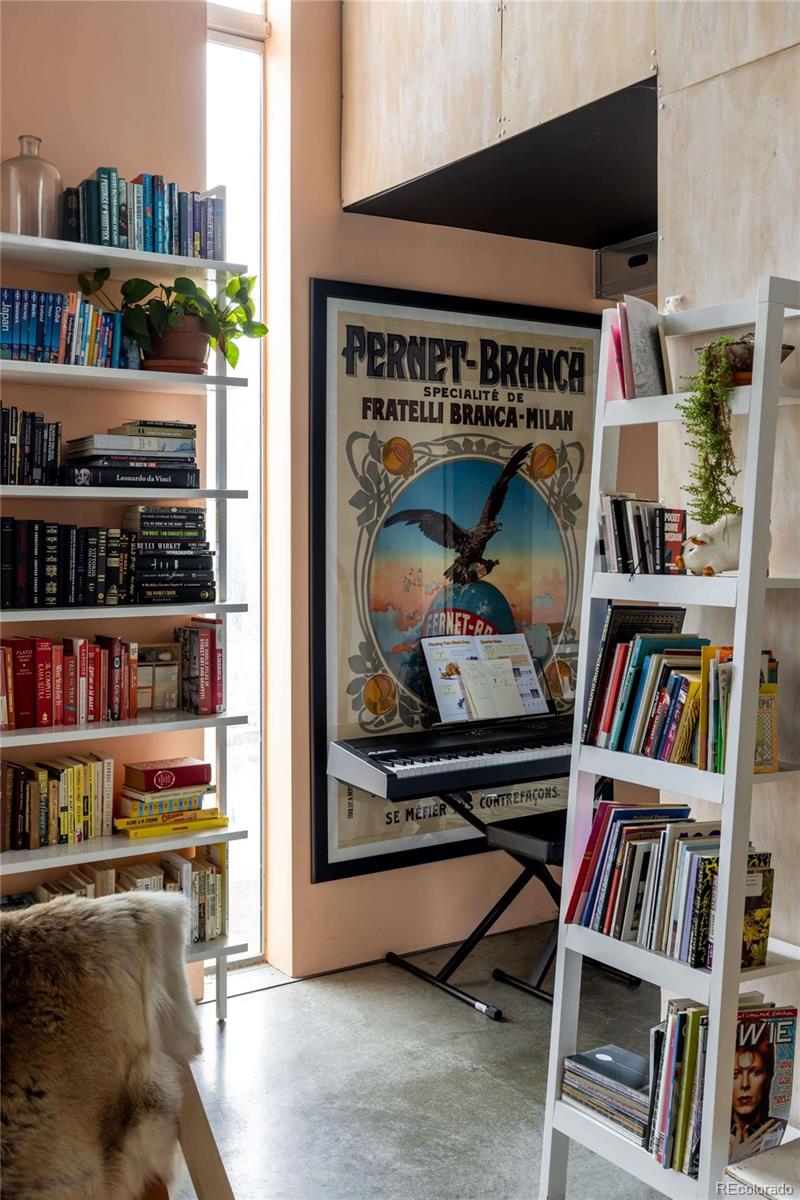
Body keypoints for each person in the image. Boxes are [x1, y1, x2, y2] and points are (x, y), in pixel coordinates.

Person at [729, 1035, 785, 1162]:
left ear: (768, 1077)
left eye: (755, 1072)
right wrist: (735, 1160)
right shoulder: (710, 1133)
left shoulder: (781, 1127)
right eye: (735, 1074)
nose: (744, 1084)